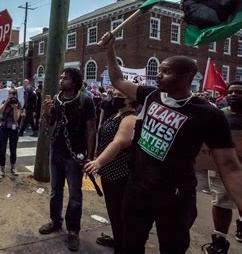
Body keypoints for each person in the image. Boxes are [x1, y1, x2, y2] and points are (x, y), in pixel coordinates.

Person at [101, 32, 242, 254]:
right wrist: (110, 50)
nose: (158, 76)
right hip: (138, 188)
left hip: (176, 197)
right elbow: (118, 80)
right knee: (130, 243)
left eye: (166, 72)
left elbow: (229, 166)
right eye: (159, 70)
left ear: (187, 77)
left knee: (173, 247)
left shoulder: (209, 114)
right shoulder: (151, 96)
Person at [39, 68, 96, 252]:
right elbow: (49, 124)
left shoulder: (85, 100)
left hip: (75, 155)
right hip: (57, 152)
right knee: (55, 190)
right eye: (61, 76)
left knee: (75, 195)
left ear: (75, 81)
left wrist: (90, 156)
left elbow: (91, 129)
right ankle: (55, 221)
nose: (61, 79)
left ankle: (73, 231)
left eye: (66, 78)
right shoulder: (57, 98)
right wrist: (46, 113)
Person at [84, 89, 137, 253]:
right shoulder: (116, 115)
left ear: (132, 99)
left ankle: (122, 247)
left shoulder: (130, 118)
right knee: (114, 212)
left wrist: (98, 162)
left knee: (120, 214)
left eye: (121, 94)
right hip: (109, 173)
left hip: (120, 175)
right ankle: (118, 239)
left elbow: (119, 142)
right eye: (114, 93)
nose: (115, 96)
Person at [203, 81, 242, 254]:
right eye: (231, 92)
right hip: (221, 167)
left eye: (238, 92)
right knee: (220, 202)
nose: (233, 95)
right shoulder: (219, 115)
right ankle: (219, 239)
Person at [0, 87, 22, 179]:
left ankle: (13, 168)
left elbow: (16, 118)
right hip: (4, 128)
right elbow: (0, 111)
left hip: (13, 129)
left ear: (16, 95)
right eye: (10, 94)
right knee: (2, 149)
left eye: (13, 94)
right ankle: (2, 169)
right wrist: (7, 102)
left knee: (13, 149)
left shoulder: (18, 104)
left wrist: (15, 108)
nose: (11, 96)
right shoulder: (4, 102)